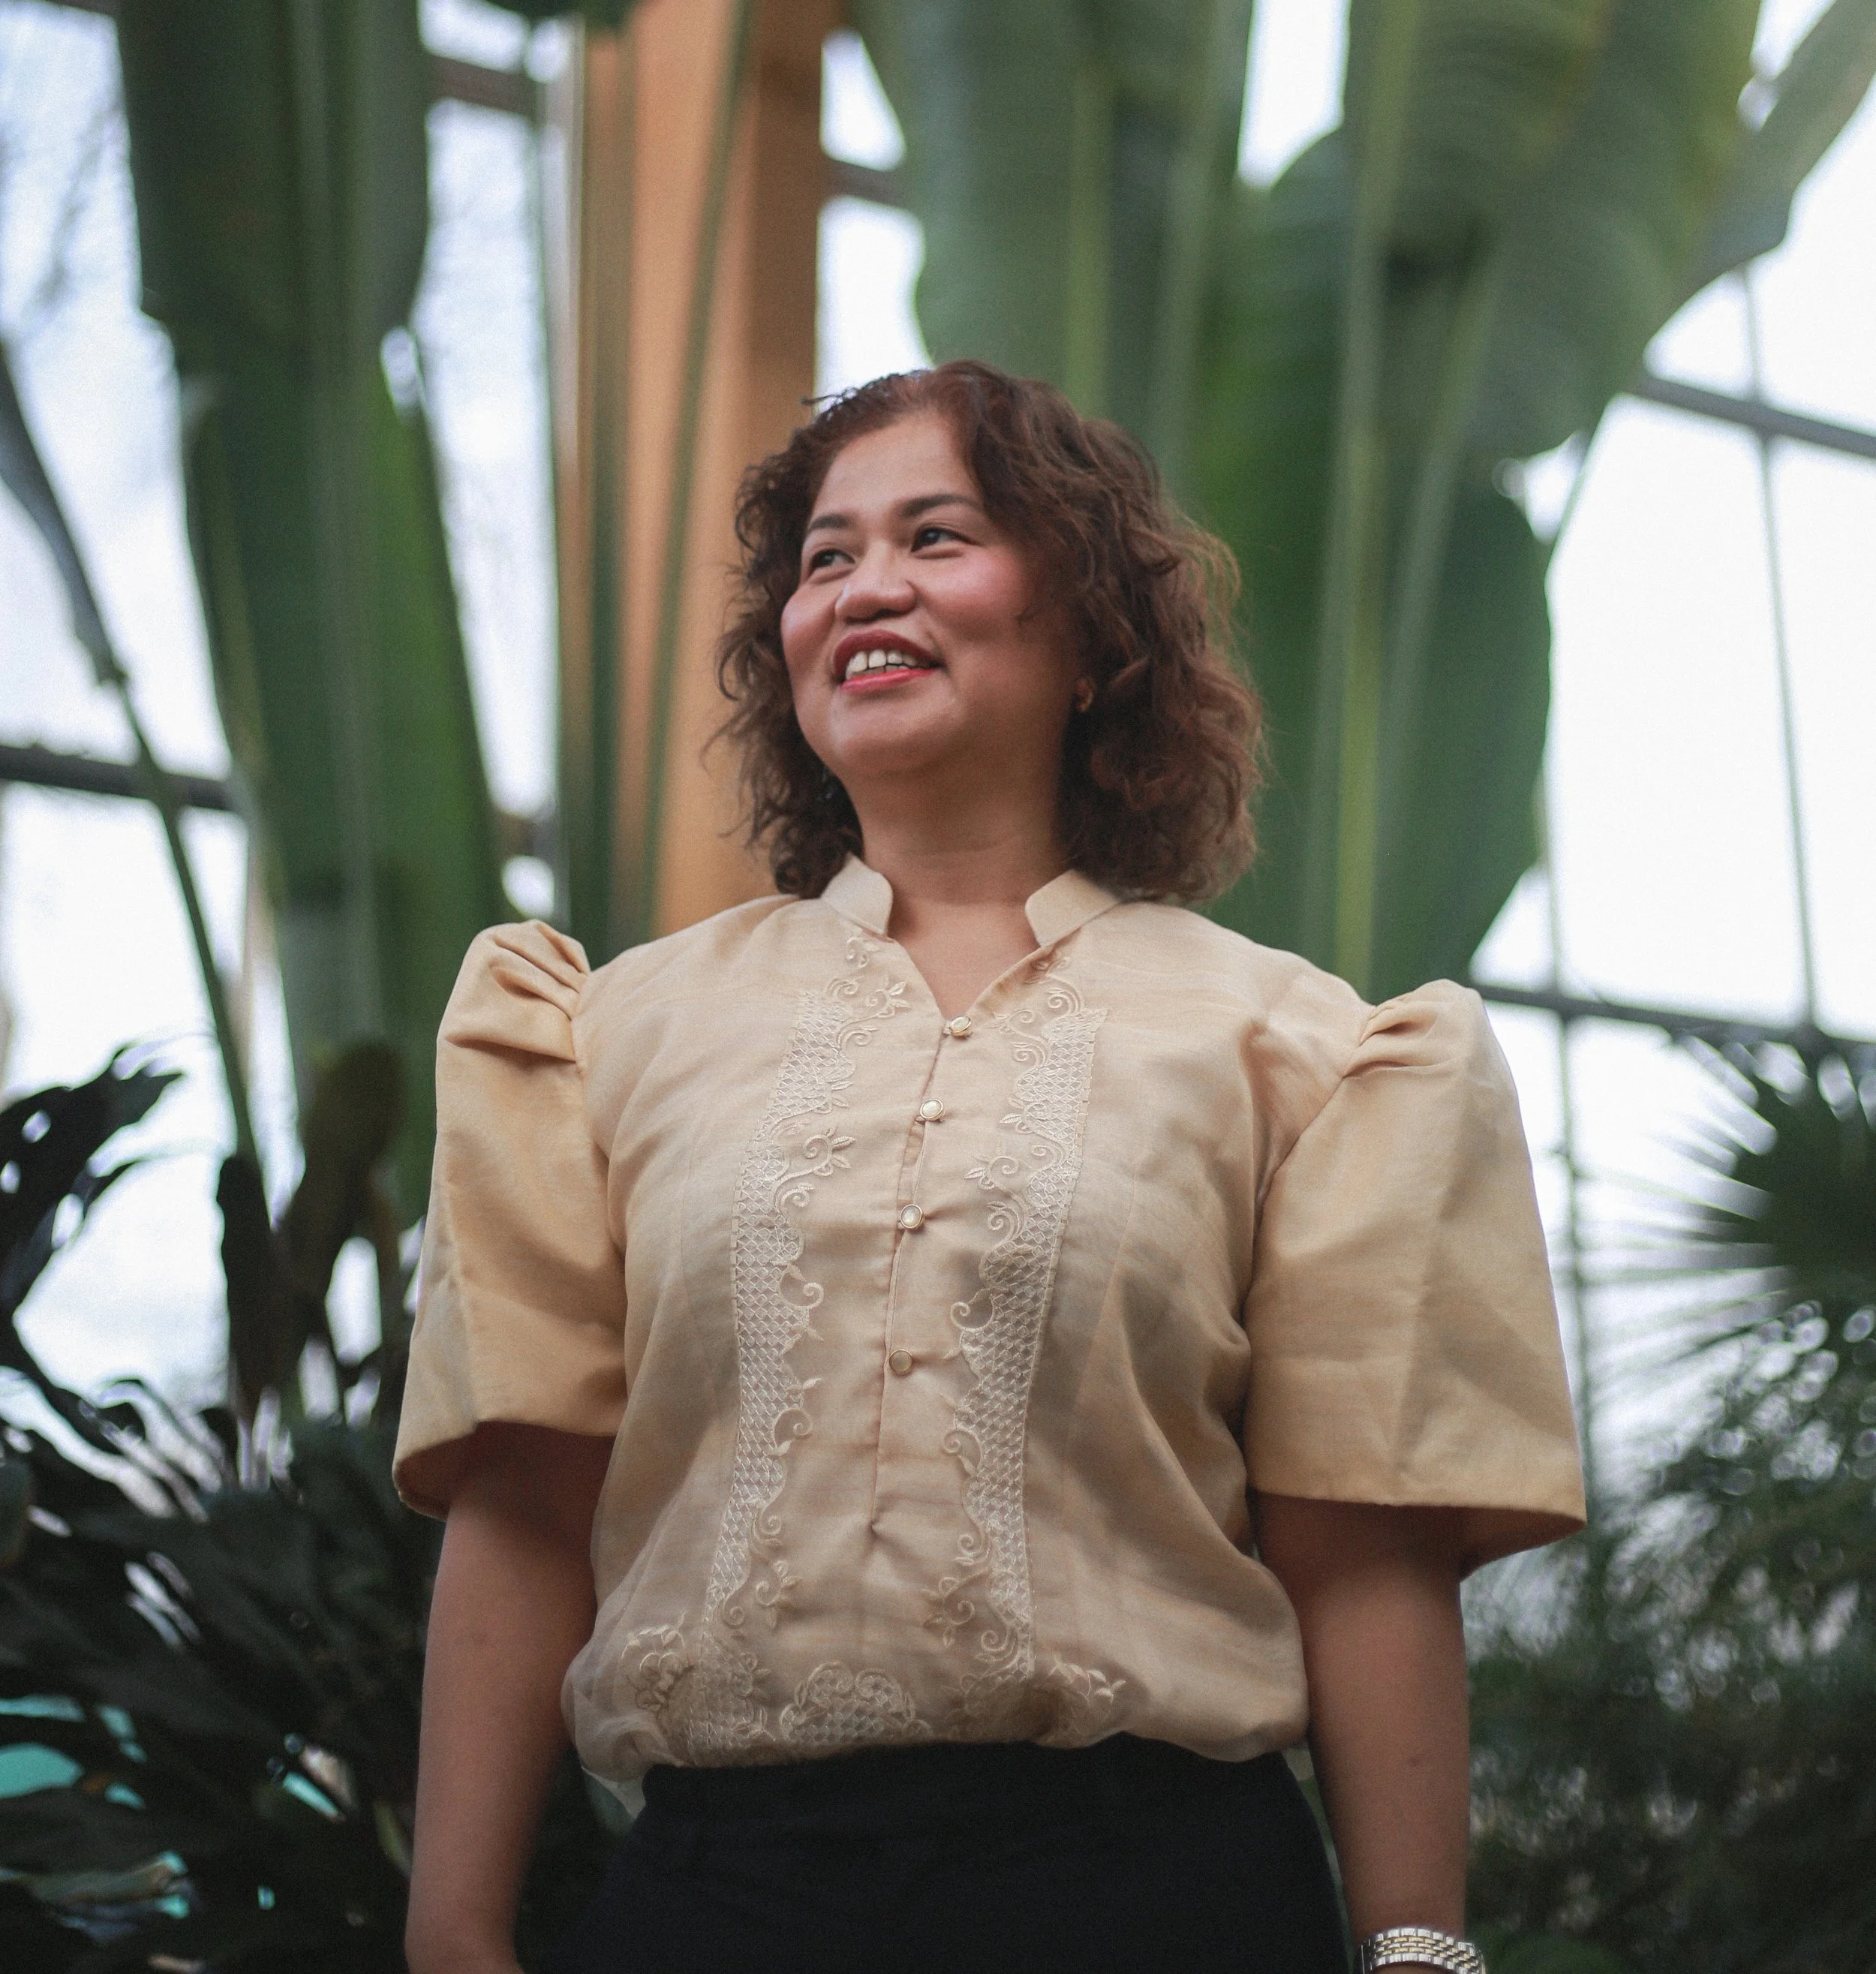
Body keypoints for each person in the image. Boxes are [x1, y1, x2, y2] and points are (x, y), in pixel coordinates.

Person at [396, 361, 1583, 1974]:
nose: (866, 584)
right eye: (825, 557)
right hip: (712, 1903)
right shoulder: (604, 1037)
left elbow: (1359, 1556)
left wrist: (1416, 1957)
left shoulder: (1302, 1057)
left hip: (1151, 1902)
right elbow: (523, 1502)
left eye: (936, 536)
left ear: (1093, 633)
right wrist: (452, 1940)